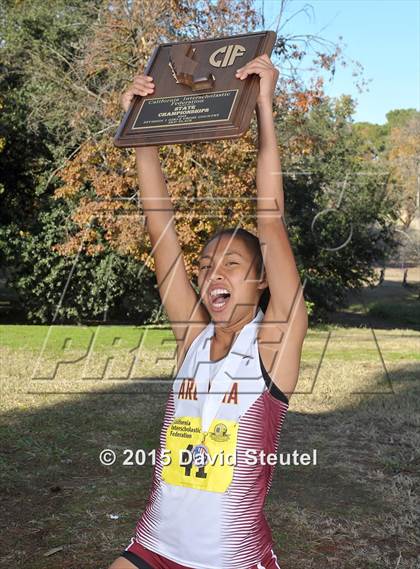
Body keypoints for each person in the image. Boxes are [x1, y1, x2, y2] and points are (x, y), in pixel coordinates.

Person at [109, 54, 308, 569]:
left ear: (262, 279)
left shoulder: (273, 340)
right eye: (205, 264)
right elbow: (160, 226)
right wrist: (141, 130)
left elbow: (271, 220)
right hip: (153, 548)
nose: (213, 273)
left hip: (231, 559)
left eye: (233, 264)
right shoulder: (191, 338)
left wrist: (263, 105)